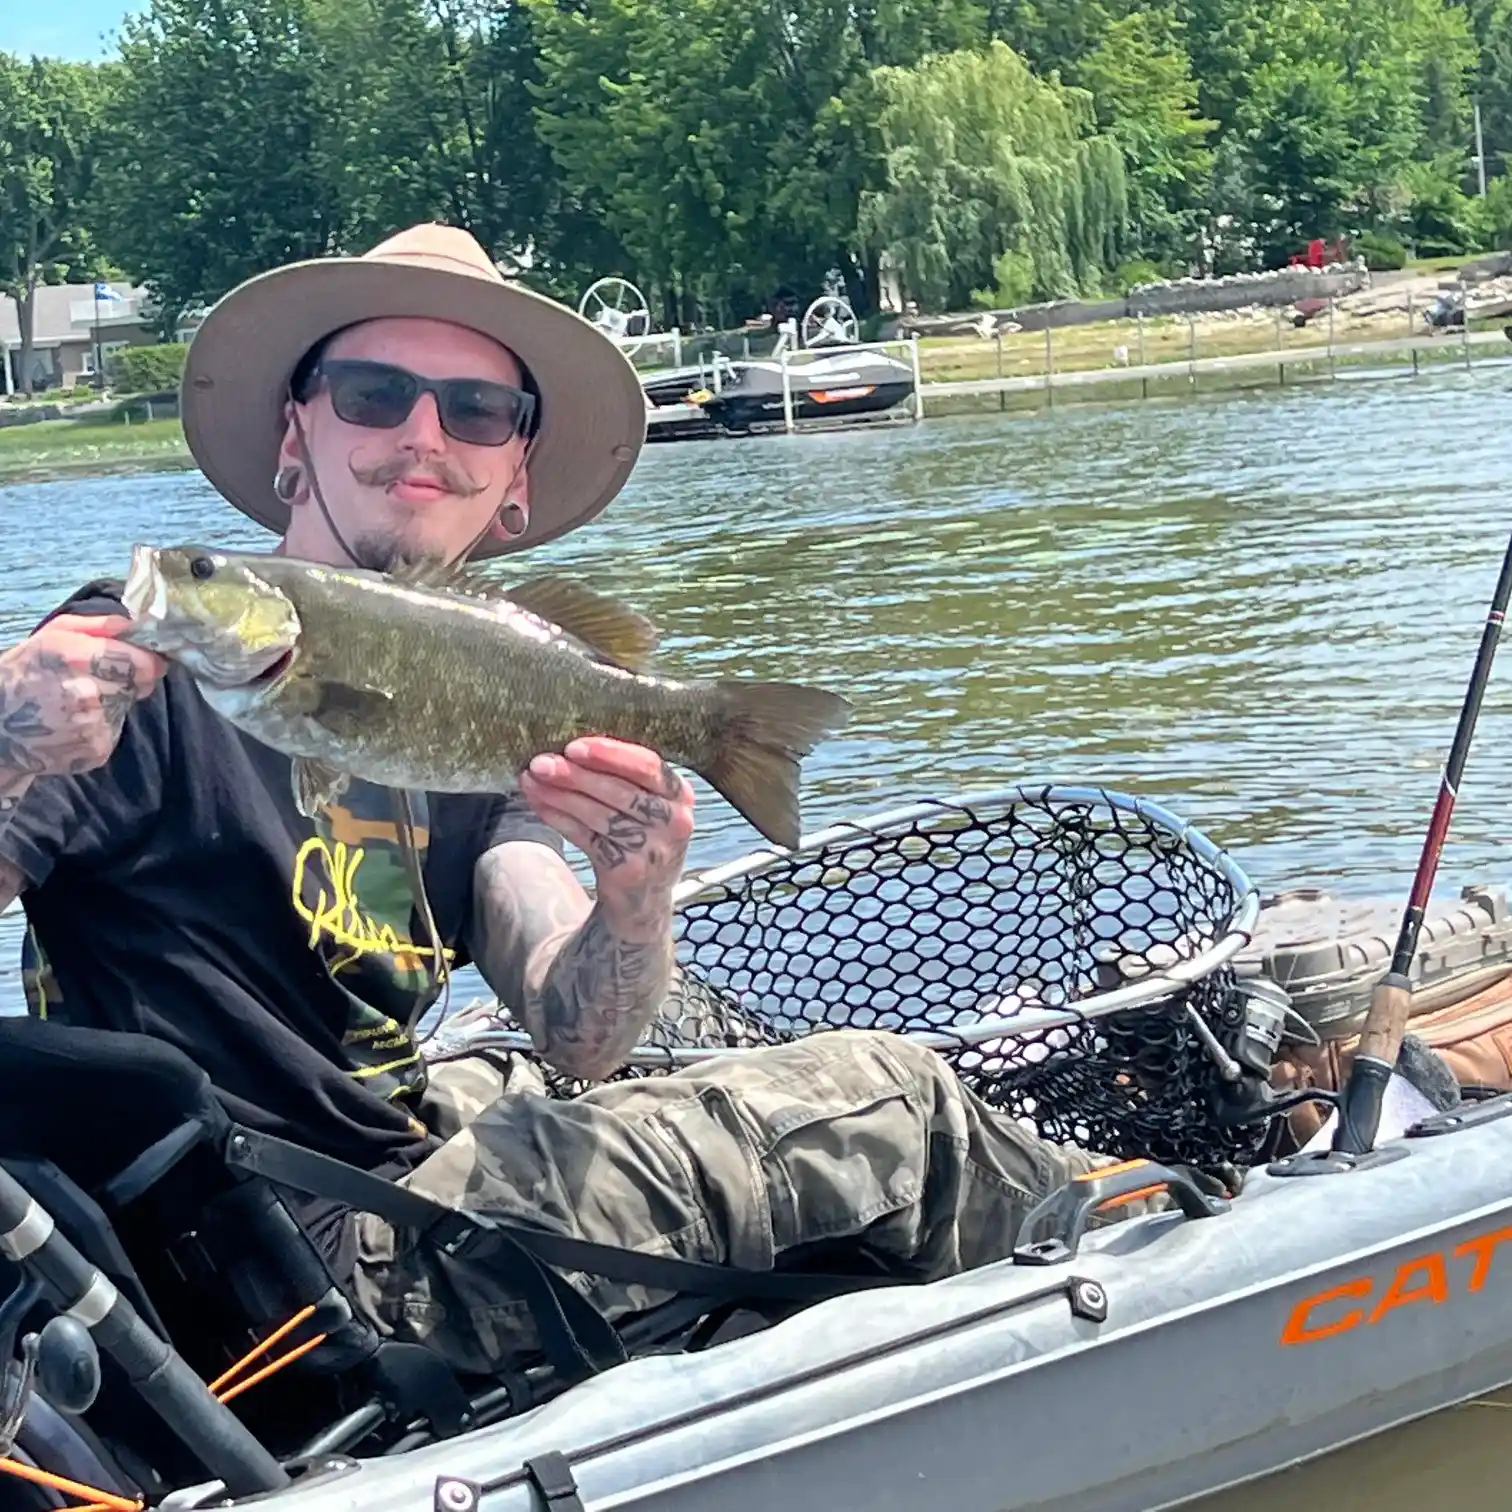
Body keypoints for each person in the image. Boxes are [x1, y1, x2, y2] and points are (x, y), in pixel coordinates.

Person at [0, 223, 1126, 1380]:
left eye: (476, 410)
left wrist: (632, 909)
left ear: (515, 476)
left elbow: (575, 1030)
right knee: (899, 1101)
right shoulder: (124, 669)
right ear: (298, 433)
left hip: (392, 1166)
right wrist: (6, 743)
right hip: (295, 1269)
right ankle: (1139, 1278)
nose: (422, 436)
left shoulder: (511, 699)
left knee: (677, 1029)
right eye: (375, 393)